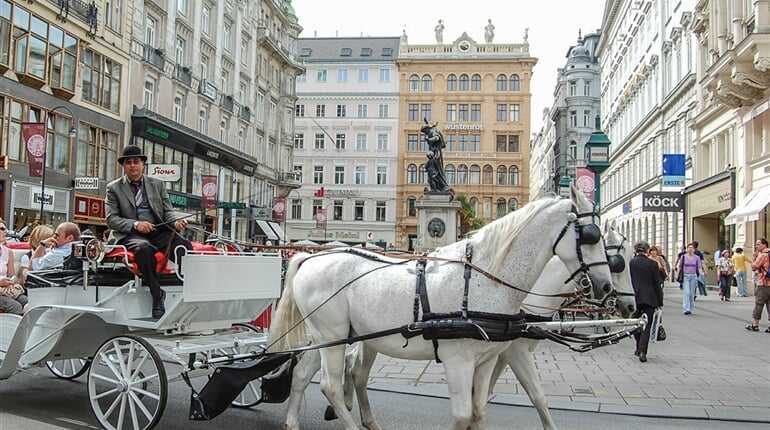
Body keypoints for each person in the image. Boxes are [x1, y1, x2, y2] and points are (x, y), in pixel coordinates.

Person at [106, 145, 192, 319]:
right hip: (131, 234)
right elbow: (111, 219)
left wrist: (175, 222)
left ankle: (189, 288)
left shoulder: (157, 184)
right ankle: (156, 294)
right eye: (128, 162)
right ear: (124, 165)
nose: (133, 165)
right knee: (143, 248)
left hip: (157, 230)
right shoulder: (114, 188)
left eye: (136, 162)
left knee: (183, 246)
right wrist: (136, 224)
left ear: (143, 164)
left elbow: (167, 211)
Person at [629, 241, 662, 363]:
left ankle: (638, 346)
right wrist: (659, 301)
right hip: (650, 298)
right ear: (647, 251)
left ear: (635, 250)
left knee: (635, 323)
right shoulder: (652, 264)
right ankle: (643, 351)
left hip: (634, 297)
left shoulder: (631, 263)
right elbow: (657, 284)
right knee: (647, 325)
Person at [0, 220, 27, 315]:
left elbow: (12, 275)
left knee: (27, 301)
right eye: (2, 229)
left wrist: (10, 283)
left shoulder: (8, 252)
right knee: (14, 306)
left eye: (5, 229)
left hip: (5, 289)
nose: (6, 232)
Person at [747, 238, 770, 332]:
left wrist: (753, 259)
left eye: (758, 244)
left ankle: (755, 324)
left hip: (763, 283)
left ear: (765, 245)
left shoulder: (763, 255)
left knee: (759, 304)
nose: (757, 246)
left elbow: (754, 267)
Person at [677, 243, 702, 315]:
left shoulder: (697, 257)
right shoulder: (683, 257)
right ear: (687, 249)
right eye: (689, 248)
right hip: (685, 276)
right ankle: (686, 308)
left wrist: (701, 274)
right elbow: (680, 266)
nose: (690, 249)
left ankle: (690, 308)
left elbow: (699, 267)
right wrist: (677, 274)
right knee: (687, 292)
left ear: (694, 249)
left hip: (693, 276)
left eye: (692, 248)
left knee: (691, 293)